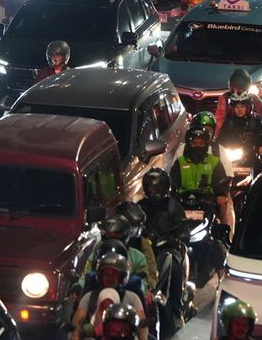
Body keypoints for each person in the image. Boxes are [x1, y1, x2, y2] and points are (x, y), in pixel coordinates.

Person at [137, 168, 189, 328]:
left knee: (174, 266)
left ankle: (176, 308)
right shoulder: (140, 207)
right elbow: (132, 222)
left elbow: (183, 228)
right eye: (151, 189)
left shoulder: (174, 207)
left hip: (167, 249)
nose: (153, 192)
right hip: (145, 249)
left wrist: (175, 237)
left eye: (157, 189)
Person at [70, 254, 147, 340]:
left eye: (114, 274)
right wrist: (75, 337)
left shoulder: (132, 297)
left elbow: (142, 325)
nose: (109, 278)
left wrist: (143, 337)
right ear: (100, 276)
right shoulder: (89, 296)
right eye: (106, 274)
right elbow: (76, 323)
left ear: (121, 277)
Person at [170, 126, 230, 228]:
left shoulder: (214, 162)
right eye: (194, 143)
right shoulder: (180, 162)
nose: (197, 146)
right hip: (183, 202)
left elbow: (221, 182)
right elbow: (173, 181)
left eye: (201, 143)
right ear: (189, 144)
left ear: (206, 144)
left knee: (224, 207)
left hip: (208, 202)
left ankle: (224, 234)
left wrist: (221, 194)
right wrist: (172, 194)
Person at [214, 70, 262, 136]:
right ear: (232, 88)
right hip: (228, 134)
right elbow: (220, 118)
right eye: (237, 88)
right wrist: (226, 131)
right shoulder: (224, 98)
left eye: (242, 89)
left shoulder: (252, 97)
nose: (240, 91)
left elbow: (261, 108)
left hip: (247, 132)